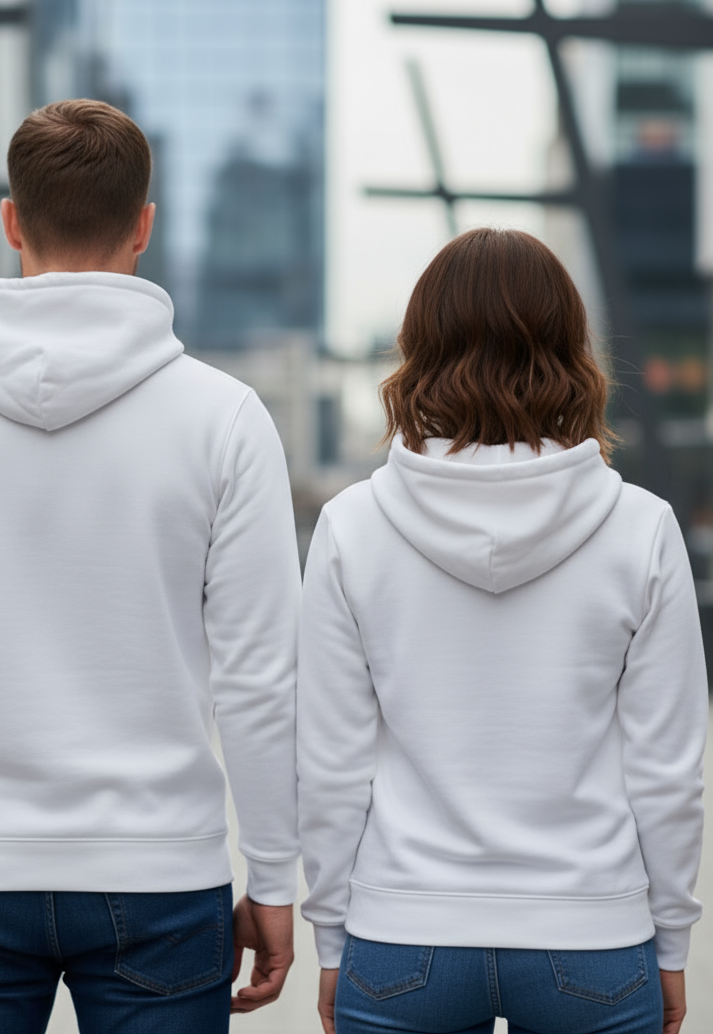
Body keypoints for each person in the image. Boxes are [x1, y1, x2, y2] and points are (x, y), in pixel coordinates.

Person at [0, 99, 301, 1033]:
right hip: (164, 876)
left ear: (11, 221)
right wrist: (275, 876)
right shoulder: (227, 418)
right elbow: (260, 679)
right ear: (145, 227)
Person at [297, 227, 707, 1034]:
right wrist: (671, 944)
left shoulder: (352, 527)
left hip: (402, 936)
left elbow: (330, 764)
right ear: (569, 349)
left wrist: (333, 939)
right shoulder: (642, 527)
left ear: (418, 349)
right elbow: (667, 770)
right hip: (591, 931)